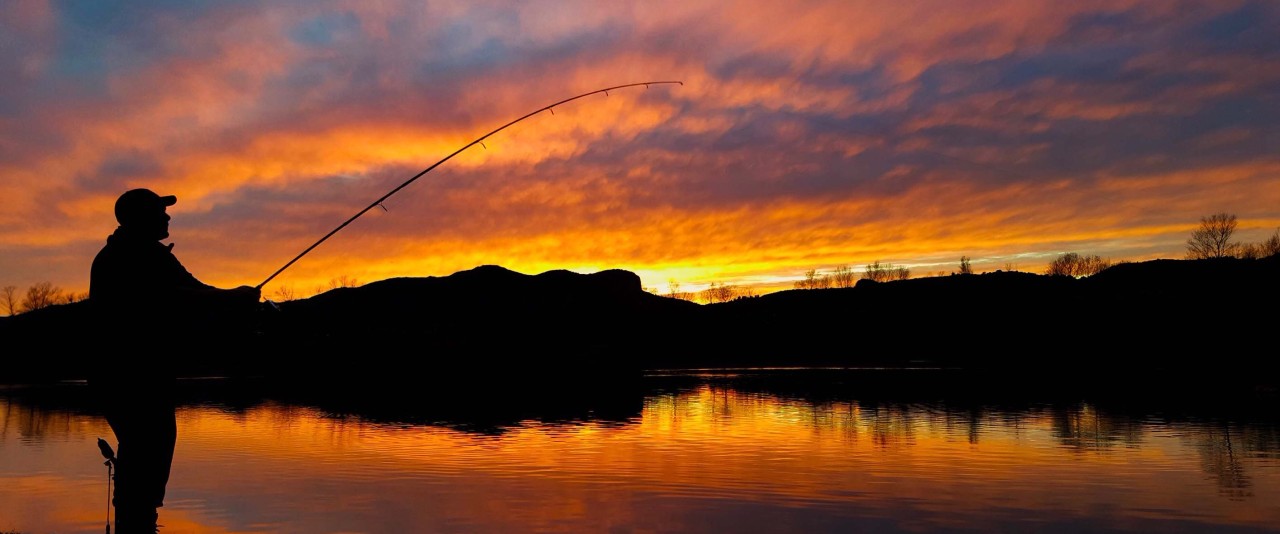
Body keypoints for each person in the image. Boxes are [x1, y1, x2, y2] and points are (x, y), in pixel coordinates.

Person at [87, 188, 260, 532]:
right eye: (160, 211)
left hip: (143, 376)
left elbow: (196, 291)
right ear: (140, 217)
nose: (167, 217)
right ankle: (137, 524)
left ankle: (139, 522)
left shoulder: (150, 254)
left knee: (146, 453)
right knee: (145, 452)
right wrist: (230, 300)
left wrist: (232, 299)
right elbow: (174, 298)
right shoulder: (127, 256)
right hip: (129, 377)